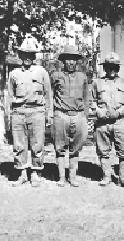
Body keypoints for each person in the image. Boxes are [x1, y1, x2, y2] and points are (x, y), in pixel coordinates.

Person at [8, 42, 52, 187]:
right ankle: (22, 173)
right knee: (19, 145)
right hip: (19, 112)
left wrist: (49, 114)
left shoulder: (41, 72)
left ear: (34, 56)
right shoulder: (14, 74)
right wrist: (9, 116)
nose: (27, 57)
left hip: (37, 111)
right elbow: (9, 95)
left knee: (37, 144)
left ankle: (35, 173)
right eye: (25, 54)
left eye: (30, 54)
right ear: (20, 55)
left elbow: (48, 94)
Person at [92, 52, 124, 189]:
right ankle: (106, 177)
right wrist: (99, 111)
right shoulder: (97, 83)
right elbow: (91, 101)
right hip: (102, 123)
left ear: (118, 68)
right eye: (109, 67)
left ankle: (122, 179)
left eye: (115, 67)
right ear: (105, 68)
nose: (112, 70)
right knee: (103, 151)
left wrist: (119, 112)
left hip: (120, 122)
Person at [52, 45, 89, 187]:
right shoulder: (56, 75)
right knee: (59, 147)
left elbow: (86, 98)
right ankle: (61, 177)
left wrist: (84, 115)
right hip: (61, 115)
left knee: (75, 148)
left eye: (74, 60)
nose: (71, 63)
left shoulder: (82, 77)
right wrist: (52, 114)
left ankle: (72, 177)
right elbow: (51, 93)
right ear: (63, 61)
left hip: (78, 116)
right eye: (68, 59)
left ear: (77, 61)